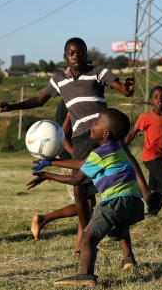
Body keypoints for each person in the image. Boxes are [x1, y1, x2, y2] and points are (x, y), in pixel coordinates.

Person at [0, 37, 134, 252]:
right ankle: (87, 237)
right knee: (81, 193)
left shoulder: (97, 71)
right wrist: (11, 106)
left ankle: (123, 253)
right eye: (72, 53)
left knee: (112, 191)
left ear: (87, 54)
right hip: (81, 137)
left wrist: (127, 89)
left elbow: (124, 91)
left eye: (81, 53)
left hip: (104, 134)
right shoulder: (59, 78)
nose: (76, 56)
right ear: (64, 56)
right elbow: (40, 100)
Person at [27, 108, 146, 286]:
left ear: (105, 133)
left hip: (114, 202)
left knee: (88, 238)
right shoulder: (115, 149)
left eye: (96, 122)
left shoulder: (100, 153)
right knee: (120, 222)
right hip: (135, 204)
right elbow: (84, 163)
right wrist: (51, 162)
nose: (92, 124)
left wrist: (47, 175)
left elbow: (77, 178)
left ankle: (86, 275)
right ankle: (125, 247)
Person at [26, 101, 98, 244]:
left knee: (87, 204)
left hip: (76, 160)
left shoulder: (73, 98)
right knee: (85, 204)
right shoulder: (72, 101)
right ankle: (45, 220)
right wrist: (77, 158)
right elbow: (61, 135)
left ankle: (79, 247)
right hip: (72, 161)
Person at [124, 85, 162, 216]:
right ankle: (153, 211)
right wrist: (121, 147)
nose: (159, 99)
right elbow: (132, 134)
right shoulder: (145, 117)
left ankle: (133, 202)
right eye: (156, 97)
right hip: (151, 156)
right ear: (151, 101)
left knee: (153, 188)